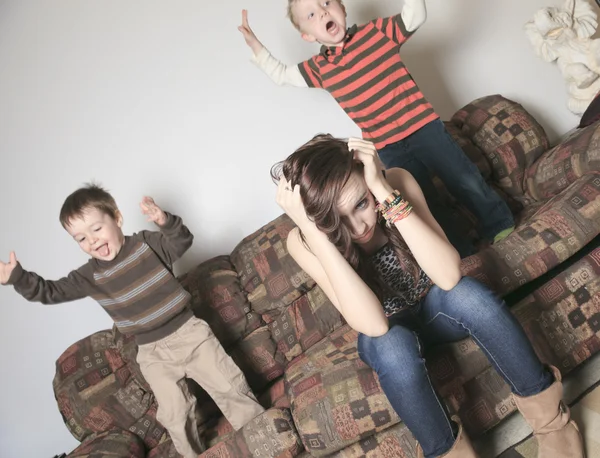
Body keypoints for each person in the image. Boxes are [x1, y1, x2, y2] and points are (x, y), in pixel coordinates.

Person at [272, 135, 583, 458]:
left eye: (361, 204)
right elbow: (374, 325)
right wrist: (315, 233)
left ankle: (553, 425)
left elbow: (448, 275)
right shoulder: (303, 240)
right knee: (391, 347)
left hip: (437, 307)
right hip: (389, 329)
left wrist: (381, 189)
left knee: (470, 297)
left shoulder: (395, 182)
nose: (358, 227)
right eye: (335, 221)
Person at [0, 184, 264, 458]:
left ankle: (262, 434)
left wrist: (165, 222)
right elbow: (50, 291)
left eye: (96, 229)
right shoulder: (88, 276)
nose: (91, 241)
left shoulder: (146, 244)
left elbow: (181, 242)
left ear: (117, 218)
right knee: (175, 415)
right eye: (80, 238)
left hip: (190, 333)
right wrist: (19, 278)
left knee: (229, 386)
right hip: (152, 354)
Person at [239, 0, 515, 256]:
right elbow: (282, 75)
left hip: (423, 127)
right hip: (387, 146)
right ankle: (459, 251)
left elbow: (414, 15)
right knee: (423, 203)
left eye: (326, 2)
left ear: (342, 8)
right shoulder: (320, 68)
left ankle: (499, 223)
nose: (323, 11)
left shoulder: (378, 33)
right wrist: (256, 46)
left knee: (462, 177)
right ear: (308, 36)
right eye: (311, 14)